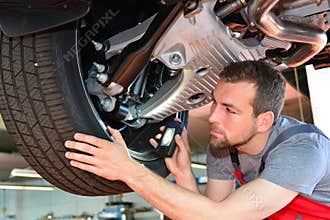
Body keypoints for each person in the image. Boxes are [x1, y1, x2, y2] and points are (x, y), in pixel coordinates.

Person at [64, 61, 330, 220]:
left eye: (230, 110)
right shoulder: (225, 146)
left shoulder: (303, 151)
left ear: (264, 121)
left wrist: (129, 170)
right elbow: (209, 214)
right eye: (215, 103)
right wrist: (185, 177)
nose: (213, 116)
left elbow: (222, 217)